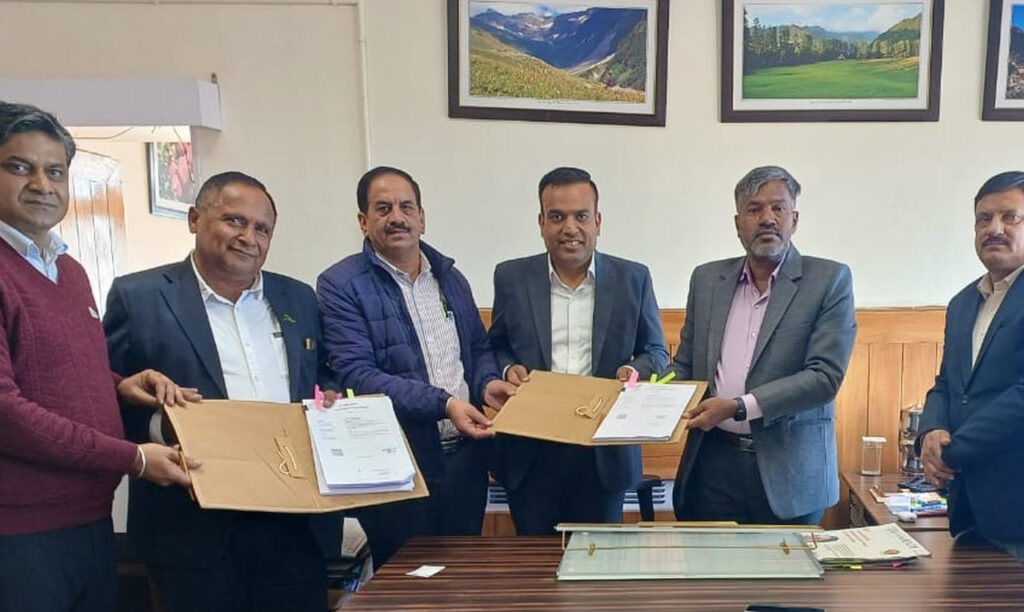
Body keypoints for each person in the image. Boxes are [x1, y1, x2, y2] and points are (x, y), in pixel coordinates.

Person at [104, 171, 341, 612]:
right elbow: (105, 397)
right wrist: (160, 427)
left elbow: (324, 374)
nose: (248, 238)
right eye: (235, 221)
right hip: (190, 523)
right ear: (195, 219)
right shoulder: (139, 297)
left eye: (262, 228)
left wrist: (330, 397)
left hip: (291, 523)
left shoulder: (298, 297)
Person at [0, 101, 197, 612]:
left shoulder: (68, 270)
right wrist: (132, 457)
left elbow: (54, 368)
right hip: (19, 533)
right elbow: (8, 414)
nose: (41, 185)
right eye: (20, 167)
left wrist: (118, 385)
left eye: (55, 171)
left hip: (88, 520)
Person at [317, 166, 515, 566]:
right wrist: (444, 404)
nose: (397, 217)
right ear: (363, 220)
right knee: (404, 580)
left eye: (406, 207)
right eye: (383, 208)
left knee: (462, 575)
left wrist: (487, 382)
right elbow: (357, 374)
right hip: (396, 467)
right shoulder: (340, 285)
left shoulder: (450, 278)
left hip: (465, 461)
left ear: (422, 218)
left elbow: (477, 349)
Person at [665, 165, 856, 525]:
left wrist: (739, 407)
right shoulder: (707, 280)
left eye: (778, 207)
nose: (767, 218)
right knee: (711, 563)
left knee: (787, 566)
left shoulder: (829, 280)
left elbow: (824, 377)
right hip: (712, 466)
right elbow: (685, 364)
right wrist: (652, 388)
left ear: (794, 219)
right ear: (738, 223)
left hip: (790, 473)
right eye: (754, 209)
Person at [487, 166, 669, 534]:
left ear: (598, 222)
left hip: (602, 455)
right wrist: (507, 370)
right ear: (541, 222)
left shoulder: (633, 278)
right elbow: (497, 346)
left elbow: (655, 350)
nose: (570, 228)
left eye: (581, 216)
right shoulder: (511, 277)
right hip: (530, 452)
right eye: (557, 217)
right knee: (534, 562)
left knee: (597, 561)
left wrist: (635, 372)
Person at [918, 171, 1024, 561]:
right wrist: (931, 432)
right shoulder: (963, 303)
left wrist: (950, 453)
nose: (994, 229)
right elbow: (948, 383)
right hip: (969, 508)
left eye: (1010, 217)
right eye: (984, 219)